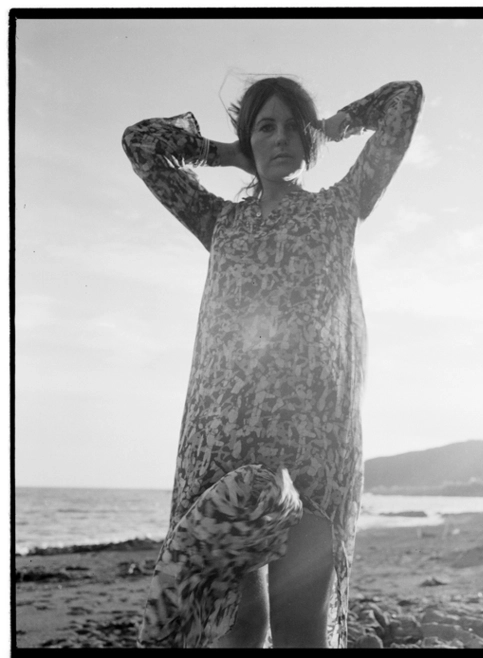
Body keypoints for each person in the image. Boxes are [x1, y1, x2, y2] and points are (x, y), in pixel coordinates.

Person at [122, 75, 423, 648]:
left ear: (308, 140)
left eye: (292, 126)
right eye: (266, 126)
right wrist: (223, 152)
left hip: (313, 448)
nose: (281, 137)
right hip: (226, 449)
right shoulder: (221, 222)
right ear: (249, 140)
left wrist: (339, 124)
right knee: (240, 625)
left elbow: (405, 100)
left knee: (299, 624)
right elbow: (140, 143)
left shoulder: (340, 207)